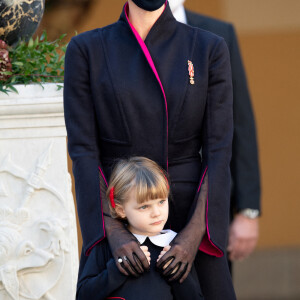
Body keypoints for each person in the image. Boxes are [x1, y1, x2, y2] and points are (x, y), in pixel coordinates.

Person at [64, 0, 236, 299]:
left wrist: (193, 237)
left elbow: (219, 151)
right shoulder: (86, 49)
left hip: (189, 211)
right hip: (120, 211)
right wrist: (114, 232)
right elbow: (83, 150)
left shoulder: (208, 46)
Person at [168, 0, 260, 263]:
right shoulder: (121, 39)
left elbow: (240, 122)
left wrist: (248, 211)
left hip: (210, 204)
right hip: (143, 203)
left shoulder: (219, 34)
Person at [76, 157, 204, 299]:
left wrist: (176, 274)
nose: (156, 213)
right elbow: (83, 295)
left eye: (161, 201)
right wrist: (117, 270)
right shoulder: (106, 245)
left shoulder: (175, 248)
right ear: (121, 210)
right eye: (144, 206)